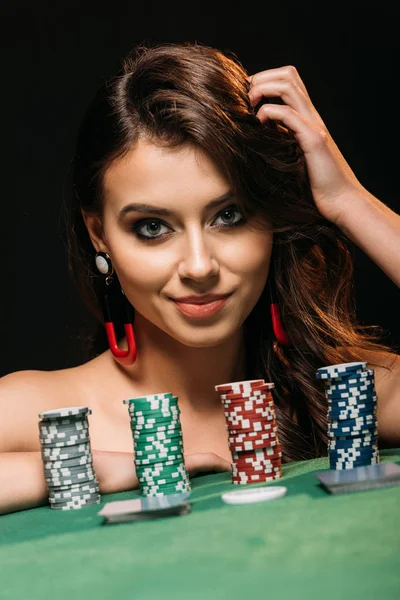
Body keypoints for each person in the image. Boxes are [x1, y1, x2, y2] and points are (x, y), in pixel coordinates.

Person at [1, 41, 399, 515]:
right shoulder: (35, 411)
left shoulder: (340, 396)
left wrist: (348, 201)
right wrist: (88, 467)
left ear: (269, 219)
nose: (198, 266)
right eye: (152, 228)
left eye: (229, 216)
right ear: (98, 233)